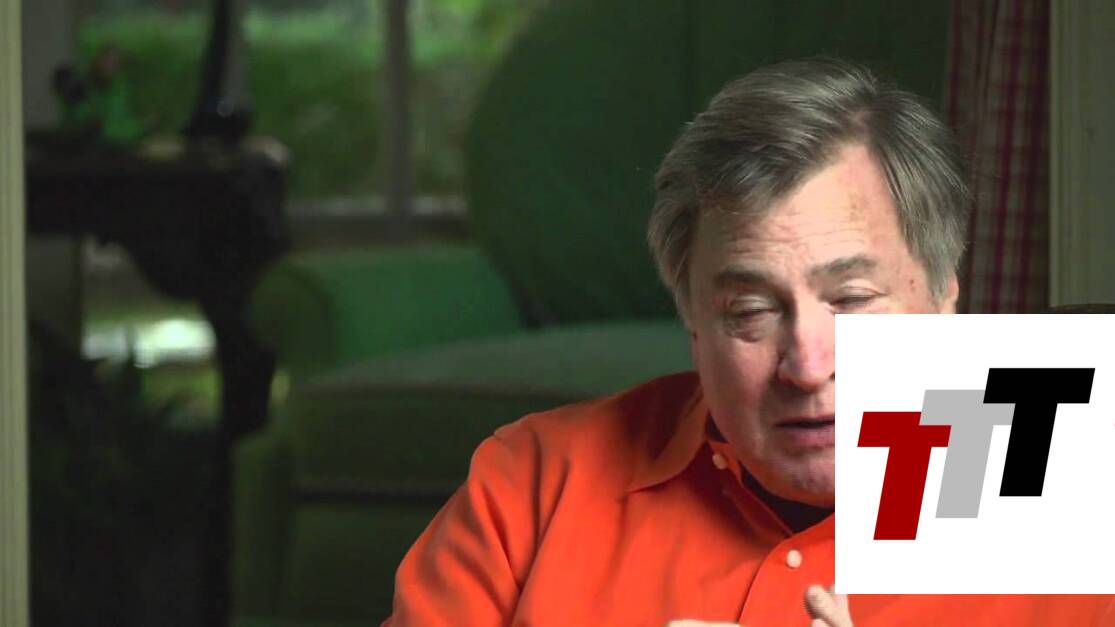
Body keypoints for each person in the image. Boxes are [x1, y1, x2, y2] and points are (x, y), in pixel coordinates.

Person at [383, 58, 1115, 626]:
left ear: (944, 291)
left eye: (851, 299)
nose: (807, 366)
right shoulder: (535, 481)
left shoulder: (1079, 485)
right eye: (751, 310)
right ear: (692, 318)